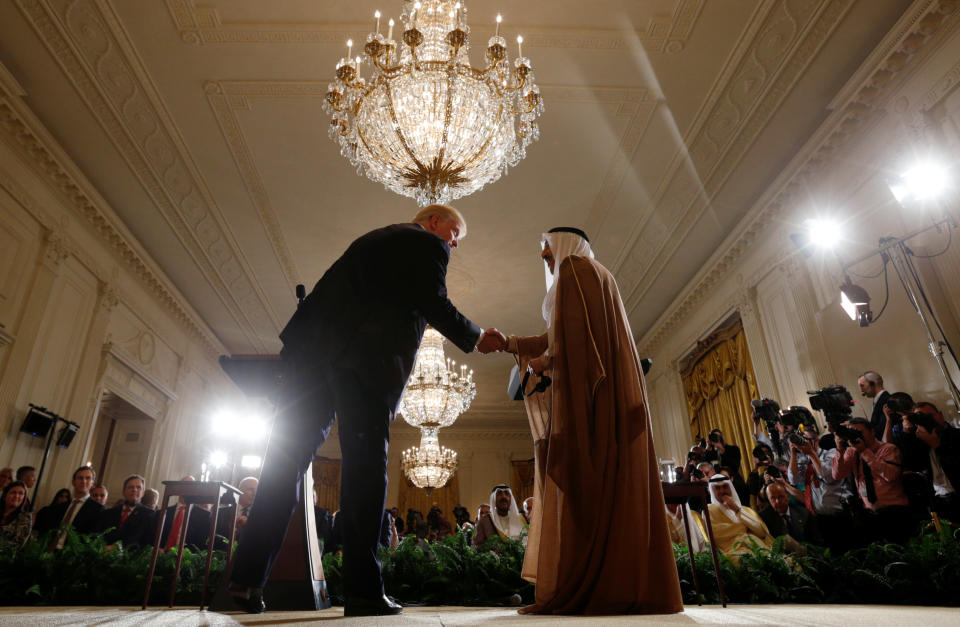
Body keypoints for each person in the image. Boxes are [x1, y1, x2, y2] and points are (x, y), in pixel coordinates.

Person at [227, 205, 503, 616]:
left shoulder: (372, 241)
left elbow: (324, 299)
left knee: (282, 466)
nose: (455, 241)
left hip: (310, 362)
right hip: (367, 366)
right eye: (454, 231)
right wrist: (477, 336)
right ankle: (362, 591)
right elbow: (435, 302)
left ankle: (245, 582)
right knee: (365, 469)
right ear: (433, 223)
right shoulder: (425, 243)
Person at [502, 227, 682, 615]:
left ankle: (591, 586)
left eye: (547, 250)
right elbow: (560, 336)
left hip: (591, 405)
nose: (545, 259)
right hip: (605, 400)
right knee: (599, 490)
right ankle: (612, 585)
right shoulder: (594, 273)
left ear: (564, 243)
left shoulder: (575, 270)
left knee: (584, 488)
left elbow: (575, 343)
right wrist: (511, 343)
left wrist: (542, 363)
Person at [833, 418, 914, 544]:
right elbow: (838, 475)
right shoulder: (852, 452)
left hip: (894, 511)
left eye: (860, 432)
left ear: (872, 432)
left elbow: (890, 475)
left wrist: (864, 451)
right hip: (868, 513)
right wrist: (839, 450)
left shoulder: (888, 449)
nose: (857, 436)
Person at [34, 466, 104, 548]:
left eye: (88, 478)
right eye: (80, 478)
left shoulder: (98, 509)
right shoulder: (60, 507)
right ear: (73, 482)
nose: (84, 481)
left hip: (72, 555)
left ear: (92, 484)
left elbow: (92, 539)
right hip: (49, 550)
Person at [706, 477, 773, 562]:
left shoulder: (744, 509)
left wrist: (736, 510)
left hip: (755, 545)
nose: (722, 491)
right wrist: (743, 528)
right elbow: (717, 535)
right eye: (718, 488)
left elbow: (761, 533)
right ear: (712, 491)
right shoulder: (709, 510)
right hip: (733, 551)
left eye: (725, 487)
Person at [97, 474, 155, 549]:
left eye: (138, 487)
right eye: (130, 487)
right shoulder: (108, 513)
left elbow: (144, 541)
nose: (134, 489)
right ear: (123, 492)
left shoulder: (149, 514)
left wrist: (117, 548)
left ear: (143, 493)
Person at [759, 482, 821, 546]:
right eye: (773, 498)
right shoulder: (764, 518)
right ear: (769, 500)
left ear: (787, 497)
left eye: (781, 497)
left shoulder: (804, 513)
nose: (777, 502)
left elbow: (817, 542)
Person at [159, 475, 211, 551]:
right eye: (184, 484)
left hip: (185, 559)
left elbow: (202, 545)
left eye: (190, 486)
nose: (187, 488)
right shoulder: (165, 512)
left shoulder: (204, 516)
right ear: (178, 488)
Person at [0, 481, 32, 550]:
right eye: (13, 492)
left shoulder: (25, 517)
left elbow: (18, 544)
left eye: (21, 493)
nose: (16, 496)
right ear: (5, 495)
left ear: (24, 498)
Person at [858, 371, 889, 441]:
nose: (861, 390)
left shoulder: (886, 401)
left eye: (862, 385)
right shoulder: (878, 400)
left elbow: (881, 428)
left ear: (873, 383)